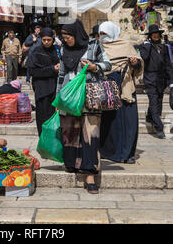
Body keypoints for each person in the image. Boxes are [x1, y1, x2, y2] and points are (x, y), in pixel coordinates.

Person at [56, 19, 111, 194]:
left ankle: (90, 176)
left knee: (90, 135)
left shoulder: (94, 45)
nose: (66, 40)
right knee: (69, 133)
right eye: (63, 37)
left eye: (69, 36)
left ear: (77, 34)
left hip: (89, 97)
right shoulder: (64, 49)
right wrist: (58, 99)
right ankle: (72, 164)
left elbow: (107, 64)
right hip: (69, 97)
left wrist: (95, 66)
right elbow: (61, 74)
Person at [98, 21, 143, 164]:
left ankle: (127, 153)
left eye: (105, 34)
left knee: (128, 121)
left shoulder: (125, 45)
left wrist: (135, 63)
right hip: (106, 88)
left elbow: (139, 64)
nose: (102, 36)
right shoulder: (98, 47)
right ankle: (109, 151)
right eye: (100, 34)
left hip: (125, 87)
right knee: (109, 121)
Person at [137, 24, 173, 139]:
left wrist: (171, 80)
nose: (156, 35)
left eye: (157, 34)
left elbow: (168, 65)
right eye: (154, 34)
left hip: (161, 79)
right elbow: (144, 57)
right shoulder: (146, 47)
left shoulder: (164, 47)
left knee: (159, 101)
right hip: (150, 78)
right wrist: (146, 46)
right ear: (150, 36)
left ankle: (149, 116)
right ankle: (159, 127)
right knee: (153, 101)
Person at [27, 28, 60, 136]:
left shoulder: (57, 51)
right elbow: (33, 71)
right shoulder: (36, 52)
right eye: (44, 40)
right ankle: (43, 140)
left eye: (49, 40)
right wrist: (52, 69)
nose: (46, 42)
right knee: (42, 117)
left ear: (53, 39)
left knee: (53, 117)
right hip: (42, 90)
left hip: (55, 89)